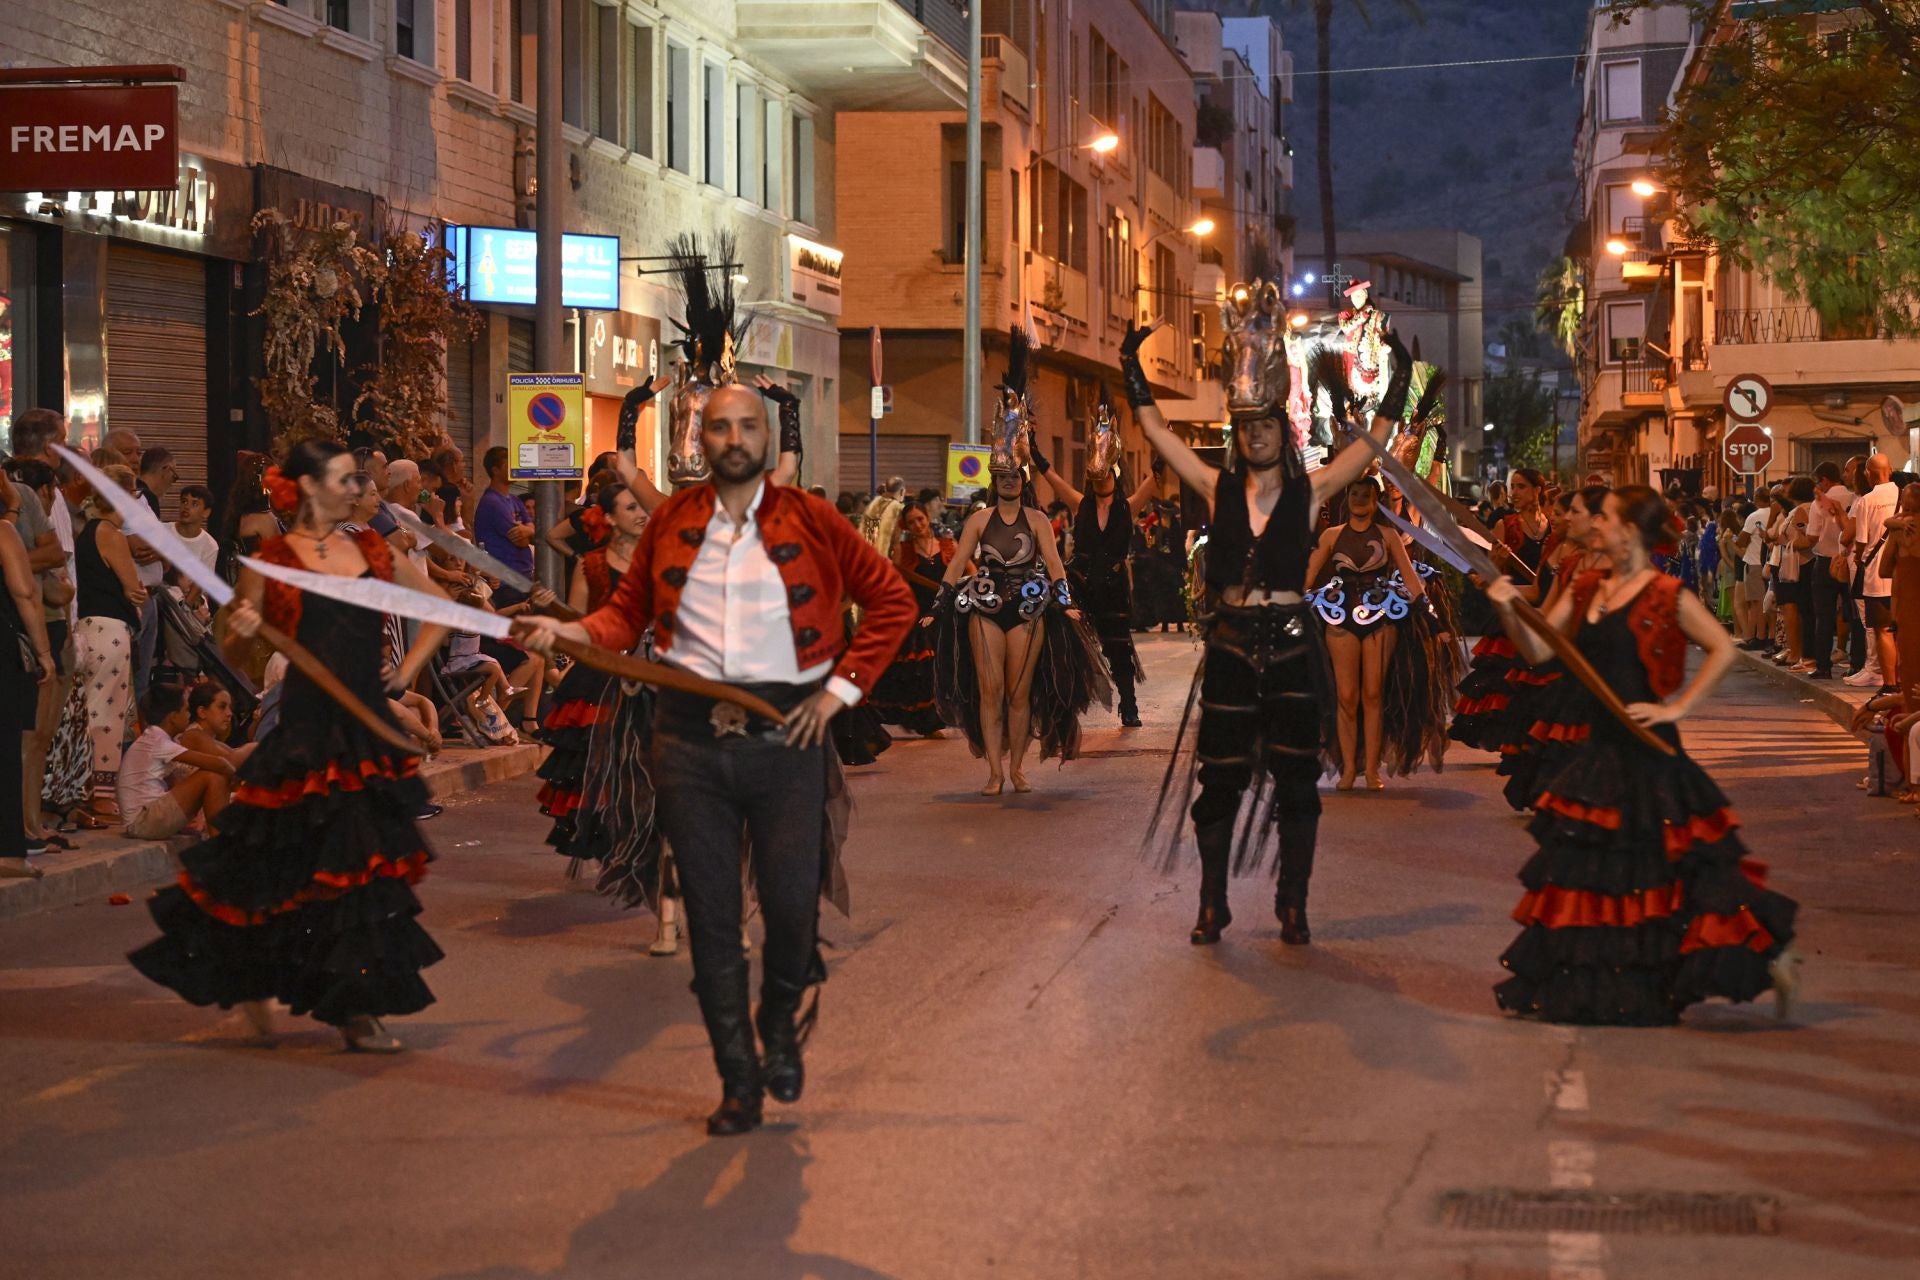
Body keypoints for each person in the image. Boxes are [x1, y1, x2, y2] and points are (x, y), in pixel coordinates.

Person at [513, 382, 916, 1137]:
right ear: (700, 439)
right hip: (689, 741)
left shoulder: (813, 519)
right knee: (711, 915)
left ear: (765, 438)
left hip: (786, 734)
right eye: (718, 425)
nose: (732, 437)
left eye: (746, 426)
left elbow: (893, 600)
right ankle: (738, 1081)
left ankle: (781, 1023)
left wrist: (839, 696)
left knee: (793, 911)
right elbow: (622, 615)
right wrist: (567, 635)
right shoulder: (672, 519)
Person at [129, 440, 452, 1053]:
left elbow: (440, 606)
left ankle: (357, 1008)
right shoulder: (272, 561)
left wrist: (407, 670)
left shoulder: (372, 549)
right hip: (305, 730)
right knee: (272, 864)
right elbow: (235, 652)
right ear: (308, 487)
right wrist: (241, 632)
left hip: (362, 733)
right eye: (343, 479)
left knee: (359, 868)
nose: (356, 490)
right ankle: (246, 974)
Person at [1129, 296, 1402, 948]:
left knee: (1297, 783)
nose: (1255, 435)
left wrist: (1400, 383)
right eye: (1245, 426)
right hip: (1228, 646)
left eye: (1266, 425)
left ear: (1283, 431)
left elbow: (1371, 451)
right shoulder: (1214, 488)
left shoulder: (1313, 493)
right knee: (1218, 779)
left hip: (1287, 647)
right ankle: (1212, 904)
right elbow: (1160, 436)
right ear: (1236, 433)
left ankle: (1292, 904)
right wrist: (1132, 374)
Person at [1488, 486, 1801, 1024]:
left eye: (1606, 518)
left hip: (1653, 755)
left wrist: (1678, 708)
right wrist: (1507, 609)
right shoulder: (1585, 587)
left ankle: (1770, 958)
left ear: (1630, 530)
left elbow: (1724, 649)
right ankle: (1622, 979)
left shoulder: (1666, 593)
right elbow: (1540, 650)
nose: (1597, 527)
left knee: (1691, 875)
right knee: (1604, 877)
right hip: (1598, 752)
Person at [935, 331, 1112, 796]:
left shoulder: (1037, 519)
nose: (1010, 481)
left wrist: (1067, 604)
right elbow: (955, 568)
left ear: (1024, 476)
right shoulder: (978, 519)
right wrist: (939, 601)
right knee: (989, 692)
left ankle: (1017, 768)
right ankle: (994, 771)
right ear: (994, 477)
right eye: (1002, 475)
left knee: (1018, 693)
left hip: (1030, 608)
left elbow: (1055, 567)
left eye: (1016, 474)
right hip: (985, 605)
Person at [1303, 472, 1438, 790]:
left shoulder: (1389, 535)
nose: (1360, 500)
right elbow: (1306, 577)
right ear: (1346, 499)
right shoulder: (1332, 536)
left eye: (1366, 495)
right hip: (1339, 619)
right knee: (1346, 697)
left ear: (1376, 500)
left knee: (1373, 695)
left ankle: (1373, 770)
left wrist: (1433, 620)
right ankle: (1350, 768)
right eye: (1354, 494)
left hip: (1381, 618)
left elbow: (1410, 578)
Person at [1030, 397, 1159, 728]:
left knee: (1119, 650)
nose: (1101, 483)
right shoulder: (1080, 504)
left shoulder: (1127, 507)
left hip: (1113, 589)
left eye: (1106, 478)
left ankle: (1129, 706)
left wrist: (1161, 442)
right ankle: (1063, 704)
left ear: (1114, 475)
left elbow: (1155, 478)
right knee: (1065, 640)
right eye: (1096, 479)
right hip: (1082, 585)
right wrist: (1031, 445)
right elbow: (1051, 476)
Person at [535, 483, 646, 864]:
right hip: (602, 674)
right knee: (602, 764)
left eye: (642, 506)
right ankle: (611, 841)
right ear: (610, 518)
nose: (641, 513)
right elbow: (581, 623)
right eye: (631, 507)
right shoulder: (592, 564)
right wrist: (554, 612)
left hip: (653, 673)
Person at [1451, 468, 1557, 755]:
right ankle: (1511, 738)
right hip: (1511, 612)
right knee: (1507, 681)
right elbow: (1488, 576)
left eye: (1522, 486)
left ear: (1538, 490)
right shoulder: (1505, 526)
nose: (1515, 492)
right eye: (1513, 487)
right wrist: (1495, 565)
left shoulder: (1554, 528)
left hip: (1544, 612)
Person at [72, 464, 148, 821]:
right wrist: (139, 594)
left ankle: (81, 788)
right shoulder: (111, 533)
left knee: (87, 709)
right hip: (110, 631)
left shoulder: (86, 531)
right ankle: (101, 796)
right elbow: (133, 588)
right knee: (107, 712)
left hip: (86, 628)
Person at [0, 504, 56, 874]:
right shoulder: (3, 530)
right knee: (4, 746)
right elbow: (24, 592)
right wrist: (44, 652)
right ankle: (6, 852)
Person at [865, 500, 950, 738]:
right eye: (911, 521)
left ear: (927, 517)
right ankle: (928, 724)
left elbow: (969, 569)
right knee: (921, 670)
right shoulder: (904, 549)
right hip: (917, 617)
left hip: (943, 615)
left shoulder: (946, 546)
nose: (917, 525)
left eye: (920, 519)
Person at [117, 683, 234, 841]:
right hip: (143, 821)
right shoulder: (158, 741)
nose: (189, 714)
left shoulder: (155, 738)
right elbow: (218, 764)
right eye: (186, 710)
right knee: (213, 775)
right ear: (172, 717)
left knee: (214, 776)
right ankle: (219, 844)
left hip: (146, 819)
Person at [1848, 454, 1902, 692]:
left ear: (1868, 473)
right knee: (1904, 629)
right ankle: (1903, 678)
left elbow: (1861, 541)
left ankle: (1888, 681)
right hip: (1903, 574)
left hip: (1876, 575)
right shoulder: (1904, 494)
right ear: (1890, 470)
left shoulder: (1866, 501)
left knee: (1881, 630)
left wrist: (1859, 557)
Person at [473, 446, 537, 607]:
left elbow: (531, 529)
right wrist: (529, 532)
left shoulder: (515, 500)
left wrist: (528, 530)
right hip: (506, 583)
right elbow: (521, 541)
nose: (514, 468)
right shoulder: (492, 502)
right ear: (495, 470)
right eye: (508, 465)